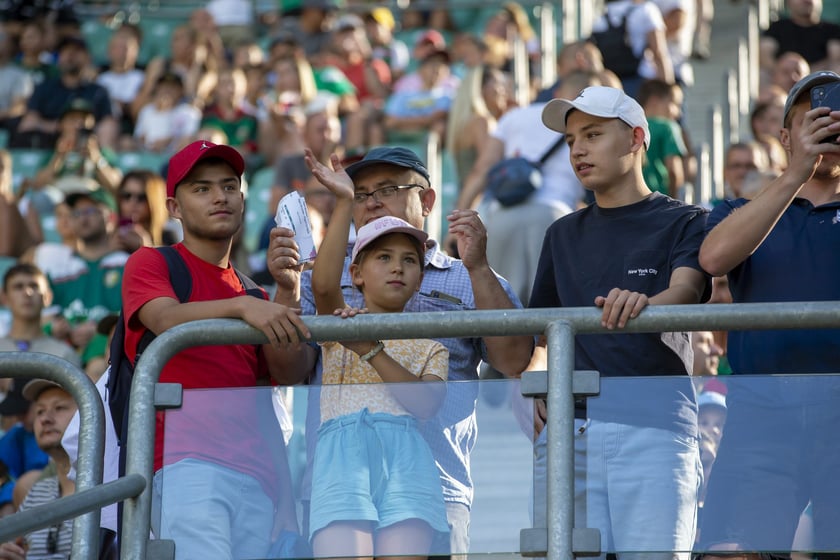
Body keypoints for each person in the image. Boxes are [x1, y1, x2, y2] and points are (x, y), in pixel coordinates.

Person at [280, 145, 534, 556]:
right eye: (360, 193)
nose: (373, 201)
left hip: (436, 486)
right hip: (339, 481)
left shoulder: (468, 273)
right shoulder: (325, 276)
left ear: (428, 200)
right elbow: (289, 366)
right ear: (358, 275)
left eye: (389, 188)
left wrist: (479, 267)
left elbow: (513, 360)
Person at [530, 85, 709, 558]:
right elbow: (541, 333)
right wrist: (538, 378)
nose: (578, 149)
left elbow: (688, 292)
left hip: (657, 426)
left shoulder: (687, 219)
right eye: (570, 141)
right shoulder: (561, 233)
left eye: (591, 134)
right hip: (573, 431)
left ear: (634, 139)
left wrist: (643, 302)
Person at [122, 140, 312, 559]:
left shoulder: (254, 291)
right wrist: (244, 307)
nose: (219, 196)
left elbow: (284, 380)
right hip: (182, 465)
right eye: (202, 188)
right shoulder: (153, 262)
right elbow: (165, 319)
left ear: (243, 201)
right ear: (174, 207)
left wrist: (286, 293)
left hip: (258, 477)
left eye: (228, 186)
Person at [696, 70, 840, 558]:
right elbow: (714, 259)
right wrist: (797, 172)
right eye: (812, 120)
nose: (828, 127)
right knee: (732, 549)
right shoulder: (740, 208)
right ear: (783, 137)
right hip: (762, 409)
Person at [306, 149, 450, 556]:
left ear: (420, 278)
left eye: (409, 260)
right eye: (383, 257)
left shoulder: (432, 342)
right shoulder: (340, 323)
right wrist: (341, 202)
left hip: (408, 462)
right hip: (340, 460)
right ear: (356, 273)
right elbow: (321, 287)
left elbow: (426, 405)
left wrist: (370, 350)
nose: (397, 268)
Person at [0, 379, 78, 559]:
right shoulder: (36, 491)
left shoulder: (107, 488)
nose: (45, 418)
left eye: (59, 408)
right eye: (39, 411)